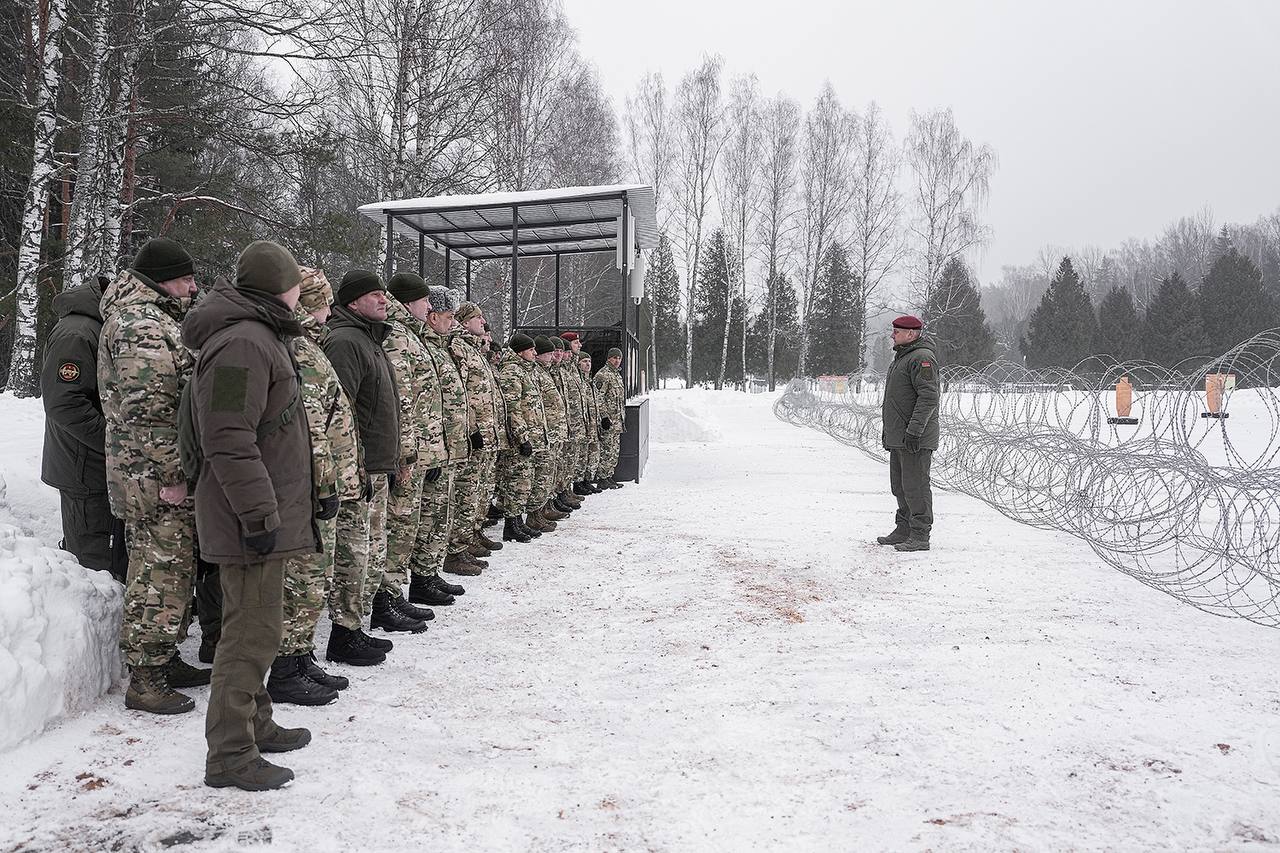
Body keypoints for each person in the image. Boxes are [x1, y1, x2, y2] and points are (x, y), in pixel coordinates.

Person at [182, 240, 317, 791]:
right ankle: (230, 754)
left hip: (262, 513)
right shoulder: (243, 343)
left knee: (260, 626)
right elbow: (228, 437)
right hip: (249, 518)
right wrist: (260, 515)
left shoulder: (258, 335)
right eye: (295, 283)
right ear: (279, 286)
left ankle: (255, 724)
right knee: (248, 635)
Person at [99, 237, 210, 714]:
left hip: (157, 468)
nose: (192, 286)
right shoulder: (140, 323)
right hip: (152, 473)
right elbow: (150, 410)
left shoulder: (159, 315)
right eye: (186, 278)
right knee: (158, 572)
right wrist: (174, 472)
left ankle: (165, 657)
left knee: (176, 567)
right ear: (163, 278)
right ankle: (145, 676)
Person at [268, 267, 363, 704]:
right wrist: (325, 484)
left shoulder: (308, 345)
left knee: (315, 576)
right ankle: (286, 668)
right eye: (322, 302)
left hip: (324, 483)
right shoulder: (294, 348)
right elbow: (309, 430)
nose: (329, 311)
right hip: (308, 486)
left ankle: (301, 656)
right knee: (303, 578)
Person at [321, 269, 398, 665]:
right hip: (357, 469)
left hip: (375, 465)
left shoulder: (369, 338)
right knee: (353, 552)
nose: (384, 299)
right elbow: (340, 410)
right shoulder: (346, 341)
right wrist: (358, 466)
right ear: (352, 303)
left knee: (367, 550)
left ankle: (354, 627)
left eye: (385, 294)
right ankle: (343, 633)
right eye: (374, 295)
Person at [41, 274, 126, 581]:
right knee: (90, 564)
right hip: (82, 466)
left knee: (103, 553)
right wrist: (115, 439)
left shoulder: (98, 326)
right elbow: (64, 404)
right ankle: (84, 625)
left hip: (93, 462)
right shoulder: (78, 332)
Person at [416, 285, 478, 578]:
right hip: (433, 448)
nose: (453, 323)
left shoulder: (442, 349)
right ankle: (425, 574)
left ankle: (432, 570)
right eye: (448, 316)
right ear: (432, 317)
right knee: (431, 514)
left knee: (444, 510)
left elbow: (459, 399)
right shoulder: (426, 348)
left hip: (451, 446)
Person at [876, 314, 940, 552]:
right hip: (900, 437)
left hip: (915, 437)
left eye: (897, 331)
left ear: (911, 334)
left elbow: (928, 397)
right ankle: (904, 529)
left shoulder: (922, 358)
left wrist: (914, 431)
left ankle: (920, 534)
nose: (893, 335)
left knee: (916, 486)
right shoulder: (903, 357)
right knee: (900, 486)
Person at [448, 302, 506, 560]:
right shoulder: (459, 348)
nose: (483, 322)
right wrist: (472, 428)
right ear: (464, 321)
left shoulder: (475, 351)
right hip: (473, 435)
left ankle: (473, 533)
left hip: (487, 433)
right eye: (478, 318)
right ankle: (457, 547)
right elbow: (460, 394)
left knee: (481, 489)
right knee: (467, 491)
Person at [495, 333, 546, 542]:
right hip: (518, 441)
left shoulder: (525, 371)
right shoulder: (511, 372)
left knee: (523, 483)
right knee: (516, 482)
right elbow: (513, 409)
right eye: (531, 349)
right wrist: (522, 437)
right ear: (520, 351)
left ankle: (517, 522)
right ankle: (511, 525)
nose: (535, 352)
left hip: (530, 436)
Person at [528, 336, 568, 531]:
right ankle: (535, 514)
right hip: (543, 432)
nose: (554, 356)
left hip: (552, 431)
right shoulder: (536, 373)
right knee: (541, 474)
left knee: (549, 473)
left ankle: (544, 507)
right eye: (550, 353)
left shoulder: (547, 372)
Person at [549, 336, 582, 513]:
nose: (561, 355)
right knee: (555, 466)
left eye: (564, 351)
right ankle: (553, 499)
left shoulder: (565, 370)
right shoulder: (551, 371)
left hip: (567, 424)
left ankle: (562, 492)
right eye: (559, 351)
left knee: (565, 463)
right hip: (553, 428)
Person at [593, 346, 626, 489]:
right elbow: (598, 398)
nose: (617, 361)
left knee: (613, 450)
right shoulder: (603, 375)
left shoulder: (616, 375)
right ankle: (602, 477)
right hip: (608, 421)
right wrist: (604, 417)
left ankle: (608, 476)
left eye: (619, 358)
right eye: (614, 358)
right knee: (606, 449)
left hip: (616, 420)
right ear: (608, 359)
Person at [576, 352, 604, 496]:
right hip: (583, 425)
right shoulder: (579, 381)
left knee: (591, 454)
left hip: (593, 425)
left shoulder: (589, 381)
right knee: (581, 455)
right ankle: (578, 483)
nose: (587, 364)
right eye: (584, 361)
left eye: (589, 361)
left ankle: (587, 480)